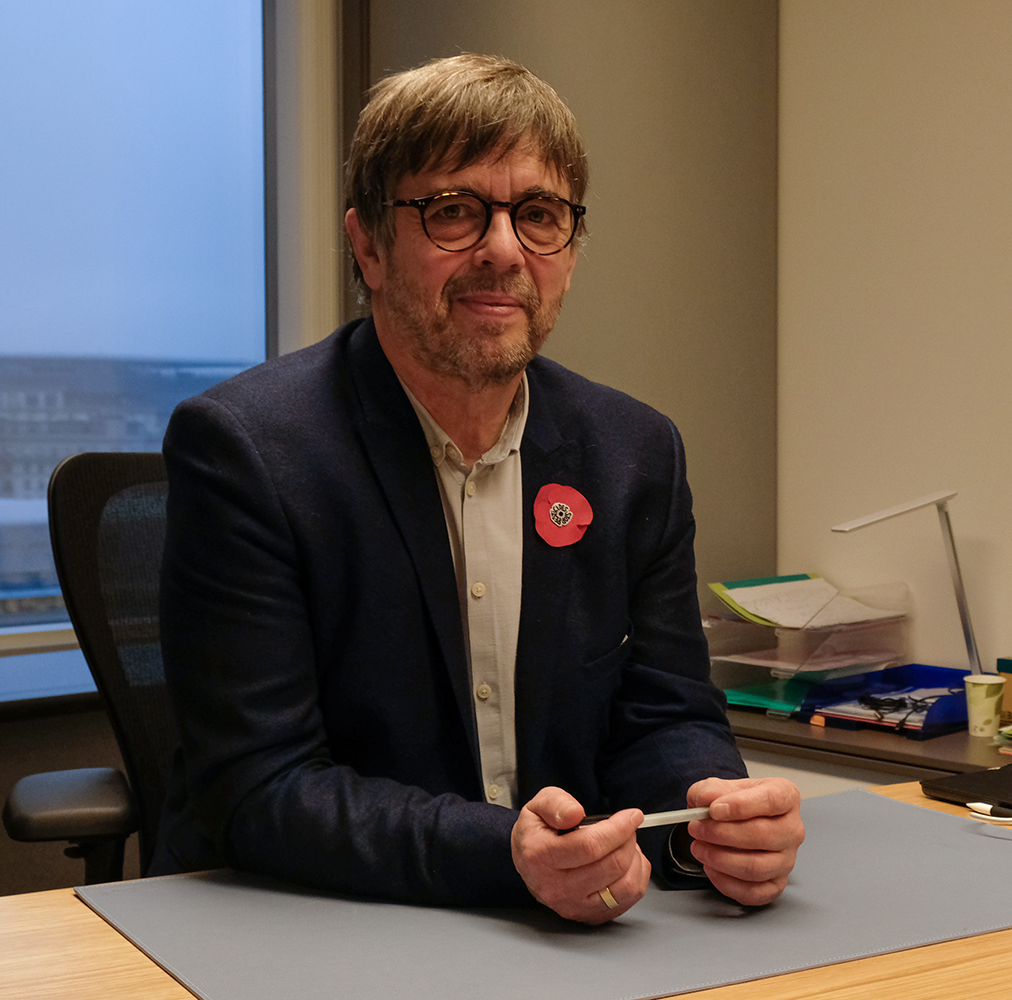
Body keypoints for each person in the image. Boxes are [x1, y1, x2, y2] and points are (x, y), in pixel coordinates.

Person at [150, 53, 803, 925]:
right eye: (453, 211)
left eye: (539, 216)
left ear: (569, 250)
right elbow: (260, 786)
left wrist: (707, 820)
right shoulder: (247, 451)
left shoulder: (633, 452)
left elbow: (663, 715)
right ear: (368, 246)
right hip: (316, 926)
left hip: (566, 937)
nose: (503, 250)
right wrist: (505, 855)